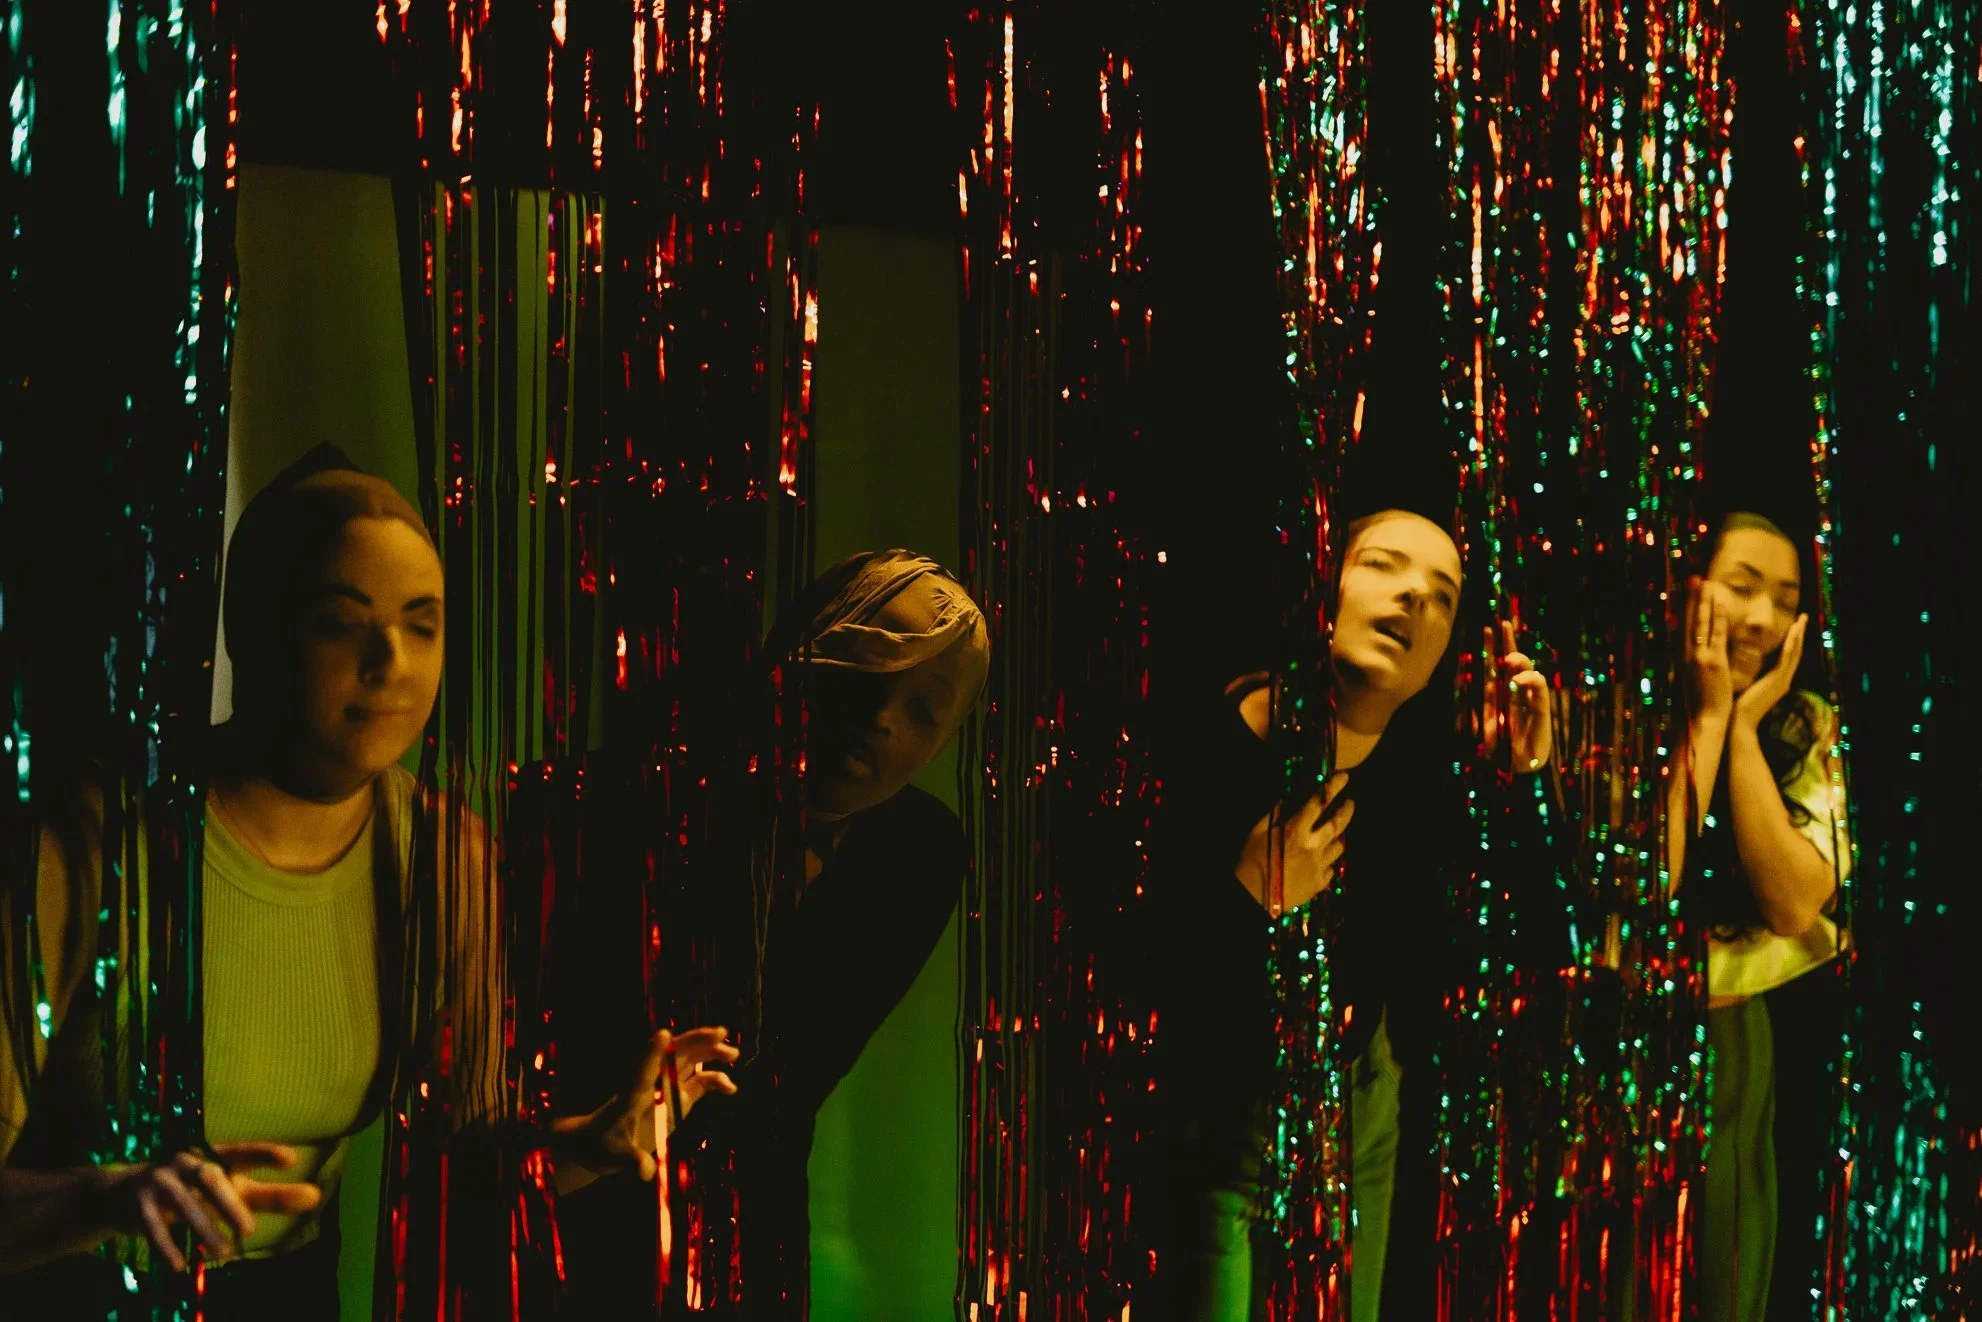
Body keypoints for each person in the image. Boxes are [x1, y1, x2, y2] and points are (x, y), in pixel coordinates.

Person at [0, 446, 737, 1319]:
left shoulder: (442, 853)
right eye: (339, 623)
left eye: (421, 625)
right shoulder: (87, 844)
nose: (391, 661)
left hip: (289, 1297)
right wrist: (106, 1198)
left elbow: (473, 1157)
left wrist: (590, 1144)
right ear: (253, 632)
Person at [1160, 506, 1565, 1322]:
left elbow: (1539, 947)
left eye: (1444, 595)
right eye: (1384, 564)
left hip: (1361, 1112)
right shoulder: (1210, 744)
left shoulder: (1426, 773)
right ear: (1322, 585)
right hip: (1214, 1119)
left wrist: (1528, 781)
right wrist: (1249, 894)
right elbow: (1145, 978)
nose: (1416, 596)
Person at [669, 548, 990, 1318]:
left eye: (924, 708)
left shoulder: (918, 853)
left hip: (755, 1229)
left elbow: (786, 1074)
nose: (881, 718)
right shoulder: (647, 802)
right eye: (866, 672)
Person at [1668, 512, 1848, 1322]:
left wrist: (1741, 728)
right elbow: (1643, 887)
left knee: (1728, 1274)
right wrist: (1707, 720)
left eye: (1785, 599)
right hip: (1611, 1037)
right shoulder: (1623, 701)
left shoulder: (1809, 726)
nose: (1761, 619)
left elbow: (1794, 901)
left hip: (1734, 1033)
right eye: (1742, 587)